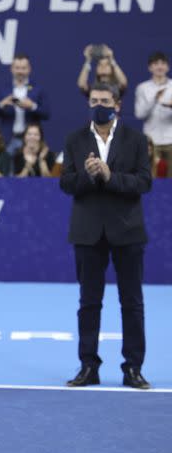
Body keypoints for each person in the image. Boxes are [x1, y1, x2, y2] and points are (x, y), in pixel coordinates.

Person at [60, 82, 152, 390]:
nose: (100, 104)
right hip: (88, 233)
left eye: (105, 100)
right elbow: (67, 184)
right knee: (89, 303)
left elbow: (143, 182)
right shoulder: (74, 140)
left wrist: (110, 176)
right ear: (89, 103)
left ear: (117, 104)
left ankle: (133, 368)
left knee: (132, 303)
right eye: (95, 100)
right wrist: (88, 174)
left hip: (128, 231)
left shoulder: (137, 140)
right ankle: (88, 366)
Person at [0, 53, 49, 153]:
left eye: (23, 68)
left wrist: (32, 106)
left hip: (30, 140)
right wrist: (2, 104)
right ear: (11, 69)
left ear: (29, 69)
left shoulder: (38, 89)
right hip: (8, 139)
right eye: (17, 68)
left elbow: (47, 114)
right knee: (7, 168)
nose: (20, 71)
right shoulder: (3, 90)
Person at [134, 51, 172, 178]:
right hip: (151, 142)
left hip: (170, 140)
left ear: (168, 67)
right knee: (150, 179)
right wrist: (154, 100)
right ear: (150, 67)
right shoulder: (142, 88)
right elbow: (139, 114)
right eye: (156, 64)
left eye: (163, 63)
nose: (160, 67)